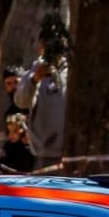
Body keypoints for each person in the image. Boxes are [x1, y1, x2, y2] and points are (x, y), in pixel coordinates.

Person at [15, 34, 68, 170]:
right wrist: (35, 80)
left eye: (57, 47)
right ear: (41, 48)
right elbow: (22, 102)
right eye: (49, 47)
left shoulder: (72, 72)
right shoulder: (32, 73)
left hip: (74, 149)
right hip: (46, 153)